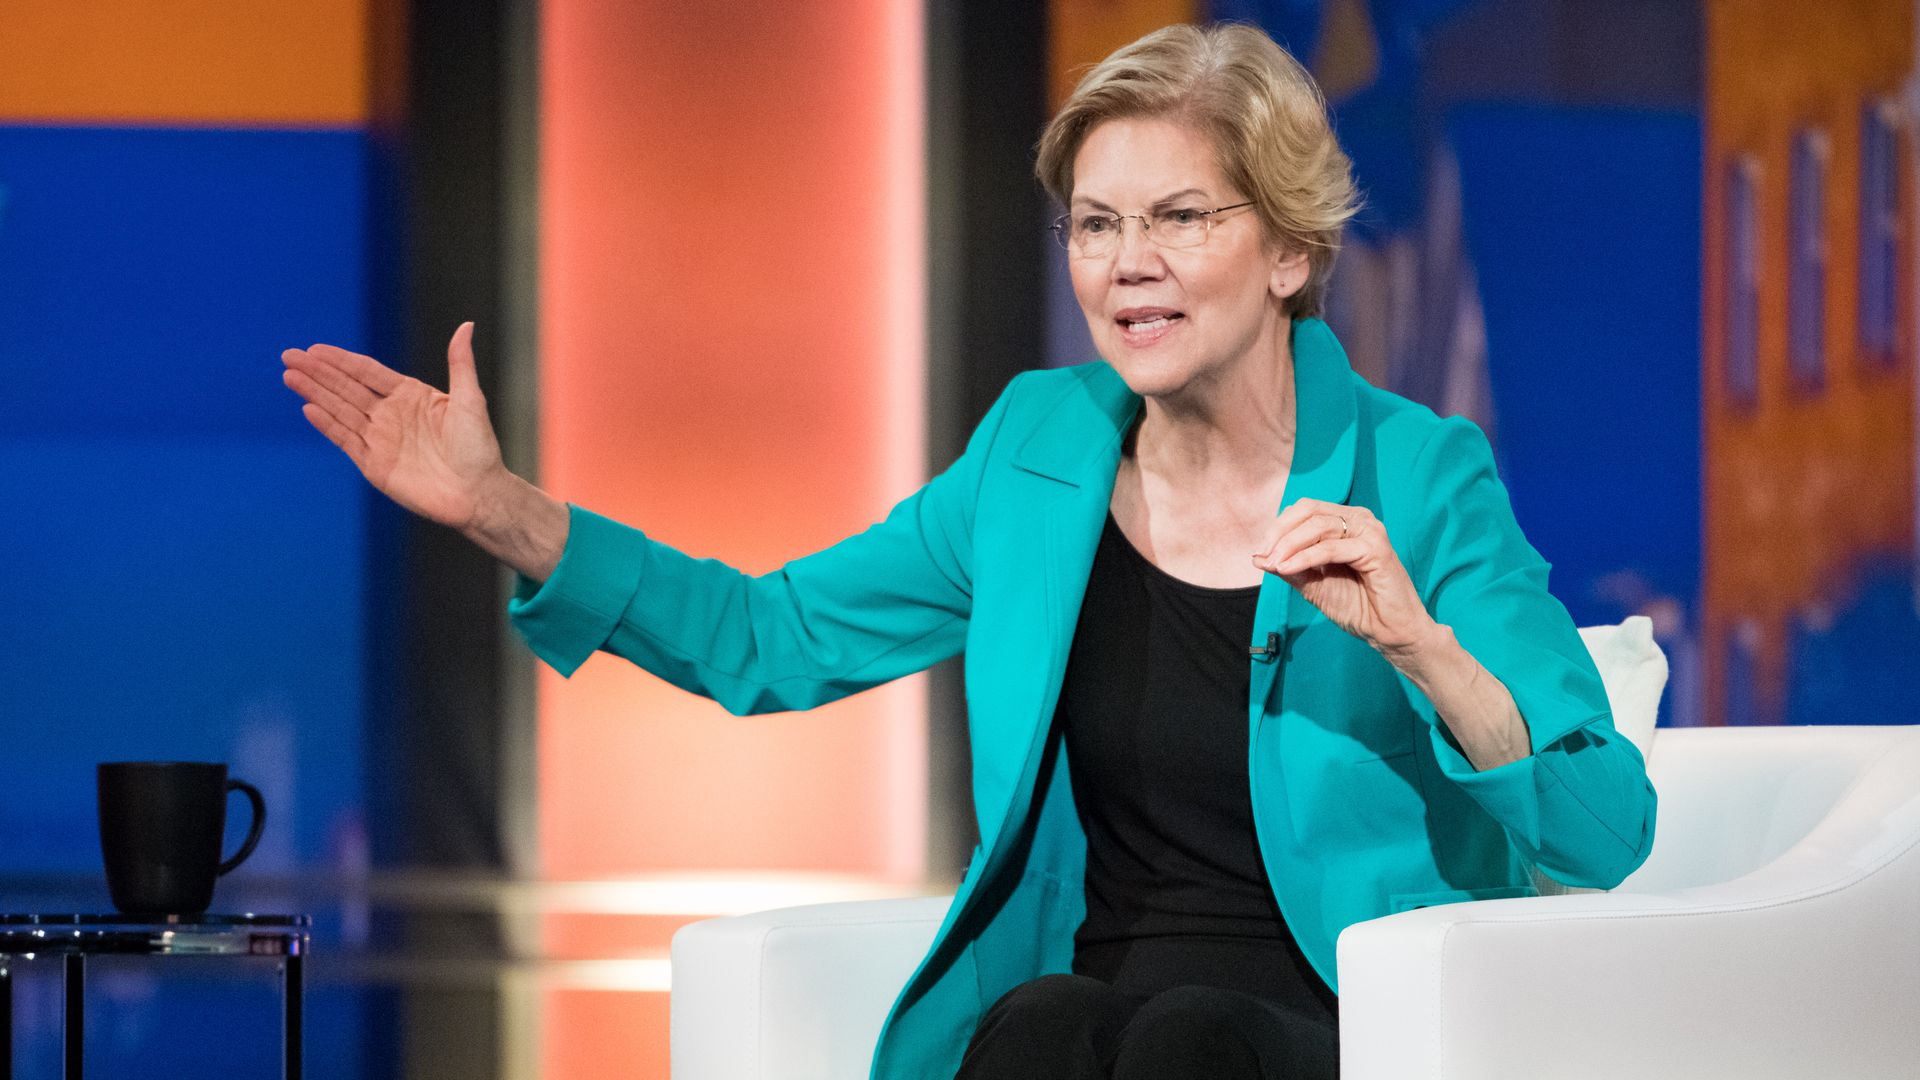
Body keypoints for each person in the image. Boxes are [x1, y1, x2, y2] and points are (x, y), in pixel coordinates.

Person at [281, 22, 1656, 1080]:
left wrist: (1423, 648)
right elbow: (773, 638)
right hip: (1094, 1011)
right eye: (1098, 226)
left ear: (1291, 253)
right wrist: (507, 513)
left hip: (1340, 1019)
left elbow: (1604, 833)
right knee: (1037, 1029)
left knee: (1185, 1043)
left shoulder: (1419, 475)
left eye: (1181, 218)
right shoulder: (1038, 452)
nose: (1130, 265)